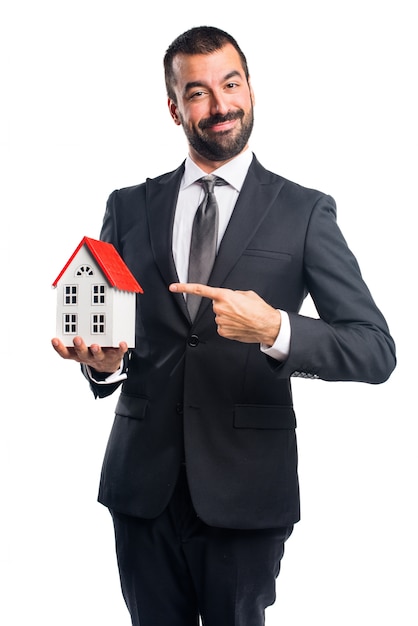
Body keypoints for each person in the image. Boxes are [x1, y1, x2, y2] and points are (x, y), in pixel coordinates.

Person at [51, 25, 396, 626]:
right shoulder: (128, 206)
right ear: (174, 106)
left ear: (251, 89)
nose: (219, 105)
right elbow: (115, 334)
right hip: (141, 490)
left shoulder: (304, 211)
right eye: (198, 92)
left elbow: (375, 350)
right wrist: (101, 365)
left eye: (229, 84)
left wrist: (276, 329)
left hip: (246, 494)